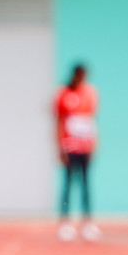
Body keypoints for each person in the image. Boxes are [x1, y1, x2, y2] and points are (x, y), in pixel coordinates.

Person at [55, 64, 99, 242]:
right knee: (68, 184)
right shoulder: (63, 93)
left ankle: (87, 222)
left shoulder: (90, 93)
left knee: (85, 184)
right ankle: (65, 222)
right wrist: (60, 146)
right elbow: (59, 121)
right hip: (69, 147)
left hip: (85, 147)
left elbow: (91, 121)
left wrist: (94, 143)